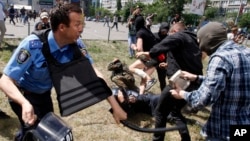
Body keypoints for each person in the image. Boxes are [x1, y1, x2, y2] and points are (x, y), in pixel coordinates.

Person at [0, 4, 126, 141]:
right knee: (45, 135)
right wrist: (24, 103)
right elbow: (5, 80)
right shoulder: (33, 45)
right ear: (61, 27)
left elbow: (94, 74)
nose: (81, 28)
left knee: (43, 130)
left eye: (82, 24)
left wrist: (115, 106)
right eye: (77, 24)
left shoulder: (76, 45)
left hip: (44, 95)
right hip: (23, 95)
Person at [170, 22, 250, 141]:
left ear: (208, 39)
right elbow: (230, 82)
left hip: (223, 130)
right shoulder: (246, 52)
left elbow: (203, 99)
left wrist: (182, 94)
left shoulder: (220, 58)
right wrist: (197, 78)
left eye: (200, 40)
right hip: (243, 126)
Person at [138, 22, 203, 141]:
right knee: (175, 111)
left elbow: (158, 49)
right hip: (194, 82)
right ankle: (186, 138)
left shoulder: (179, 36)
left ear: (174, 32)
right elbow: (185, 59)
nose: (169, 36)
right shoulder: (192, 40)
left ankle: (157, 139)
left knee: (160, 112)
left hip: (181, 82)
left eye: (170, 34)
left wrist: (149, 53)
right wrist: (168, 65)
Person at [129, 16, 158, 95]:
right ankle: (140, 96)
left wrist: (133, 47)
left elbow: (139, 49)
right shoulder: (147, 31)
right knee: (143, 78)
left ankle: (149, 79)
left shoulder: (140, 33)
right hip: (156, 59)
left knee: (130, 68)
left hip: (150, 58)